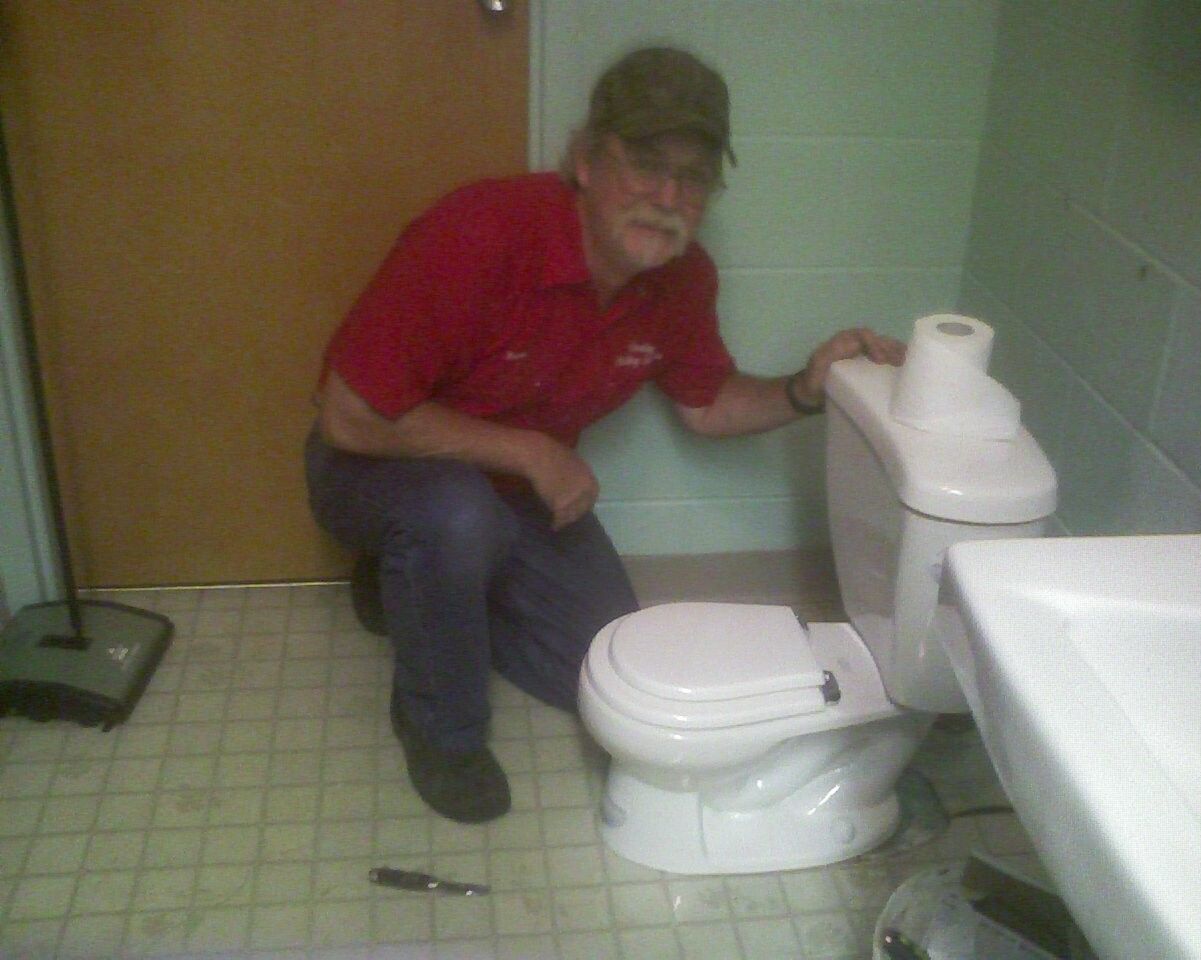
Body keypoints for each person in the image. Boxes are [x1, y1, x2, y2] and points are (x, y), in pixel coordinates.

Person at [304, 46, 906, 824]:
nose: (667, 195)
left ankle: (414, 585)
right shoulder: (480, 233)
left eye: (693, 178)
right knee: (454, 516)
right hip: (373, 469)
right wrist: (527, 449)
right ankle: (438, 727)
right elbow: (348, 416)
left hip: (518, 499)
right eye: (646, 163)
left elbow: (706, 405)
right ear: (585, 160)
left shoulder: (683, 280)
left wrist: (805, 389)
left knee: (601, 674)